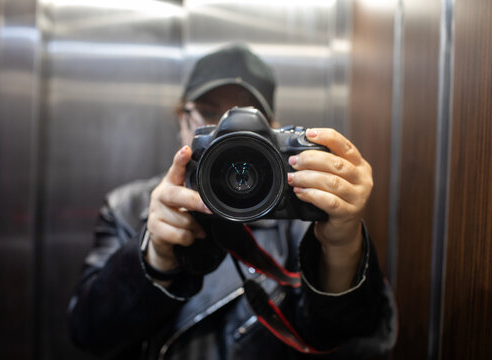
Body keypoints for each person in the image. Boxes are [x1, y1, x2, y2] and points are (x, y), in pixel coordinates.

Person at [68, 44, 397, 359]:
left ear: (273, 133)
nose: (229, 134)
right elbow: (89, 334)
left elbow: (354, 343)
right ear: (183, 120)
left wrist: (342, 247)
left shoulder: (301, 217)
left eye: (247, 120)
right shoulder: (127, 209)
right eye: (210, 116)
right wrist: (155, 255)